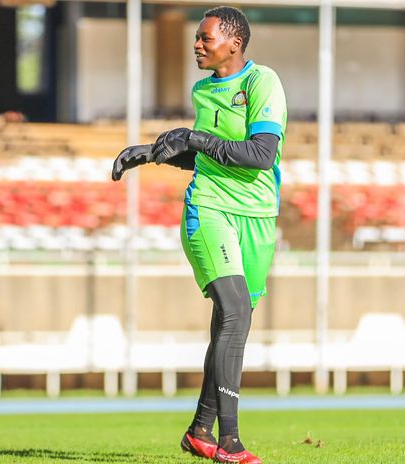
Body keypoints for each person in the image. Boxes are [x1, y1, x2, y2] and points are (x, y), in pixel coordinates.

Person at [111, 6, 286, 464]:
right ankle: (229, 442)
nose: (197, 45)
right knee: (234, 314)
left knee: (231, 321)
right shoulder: (203, 89)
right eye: (197, 38)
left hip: (257, 217)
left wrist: (192, 140)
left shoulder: (260, 82)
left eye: (206, 39)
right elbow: (206, 158)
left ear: (234, 42)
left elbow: (259, 154)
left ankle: (199, 431)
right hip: (208, 209)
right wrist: (152, 153)